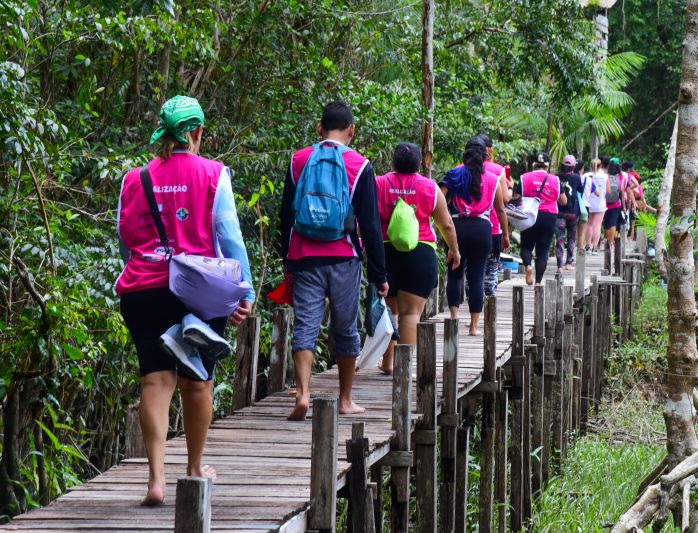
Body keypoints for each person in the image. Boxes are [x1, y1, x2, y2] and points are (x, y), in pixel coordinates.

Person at [115, 95, 255, 506]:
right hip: (198, 291)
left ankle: (155, 481)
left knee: (155, 381)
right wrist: (243, 291)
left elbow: (126, 241)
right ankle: (193, 470)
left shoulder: (133, 179)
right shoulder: (214, 174)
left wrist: (144, 271)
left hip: (143, 289)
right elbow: (230, 237)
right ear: (197, 133)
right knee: (197, 383)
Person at [279, 101, 388, 420]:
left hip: (304, 255)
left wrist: (288, 259)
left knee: (306, 324)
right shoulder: (360, 165)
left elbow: (286, 214)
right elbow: (369, 224)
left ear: (319, 127)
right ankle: (345, 399)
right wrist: (379, 274)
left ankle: (303, 394)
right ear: (351, 130)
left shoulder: (299, 160)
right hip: (344, 257)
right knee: (345, 328)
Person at [376, 143, 461, 374]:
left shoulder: (379, 183)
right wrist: (454, 249)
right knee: (410, 314)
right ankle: (403, 369)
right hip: (420, 253)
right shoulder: (429, 187)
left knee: (389, 311)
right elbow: (446, 224)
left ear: (393, 162)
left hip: (385, 252)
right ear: (419, 163)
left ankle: (387, 362)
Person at [440, 140, 510, 335]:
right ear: (484, 158)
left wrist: (441, 224)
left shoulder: (454, 174)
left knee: (454, 273)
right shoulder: (493, 178)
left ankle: (454, 318)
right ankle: (474, 326)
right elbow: (501, 209)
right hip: (482, 229)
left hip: (457, 229)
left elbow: (439, 200)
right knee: (476, 276)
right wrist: (505, 234)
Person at [518, 151, 566, 285]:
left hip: (529, 215)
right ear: (547, 166)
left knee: (526, 247)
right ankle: (538, 282)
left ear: (534, 164)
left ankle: (528, 266)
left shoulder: (524, 178)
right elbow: (563, 201)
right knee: (543, 251)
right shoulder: (555, 180)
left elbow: (517, 197)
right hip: (548, 217)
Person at [474, 134, 513, 297]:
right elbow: (504, 200)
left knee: (473, 271)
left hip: (467, 225)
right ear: (489, 150)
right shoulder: (498, 170)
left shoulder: (462, 167)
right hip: (492, 227)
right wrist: (510, 188)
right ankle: (489, 310)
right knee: (490, 270)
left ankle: (473, 311)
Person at [555, 154, 582, 272]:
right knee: (571, 238)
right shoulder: (576, 178)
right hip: (572, 213)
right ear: (573, 166)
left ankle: (559, 266)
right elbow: (581, 189)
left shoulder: (556, 177)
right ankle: (569, 263)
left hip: (559, 212)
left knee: (559, 238)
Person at [585, 157, 609, 255]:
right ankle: (595, 247)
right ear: (601, 166)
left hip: (588, 202)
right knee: (597, 225)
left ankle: (587, 246)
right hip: (600, 203)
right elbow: (608, 191)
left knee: (589, 224)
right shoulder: (605, 176)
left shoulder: (586, 175)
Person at [603, 157, 626, 246]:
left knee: (606, 222)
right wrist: (624, 206)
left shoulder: (606, 175)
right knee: (613, 222)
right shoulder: (621, 176)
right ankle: (611, 242)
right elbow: (622, 192)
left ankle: (607, 241)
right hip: (616, 203)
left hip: (605, 203)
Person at [575, 159, 589, 250]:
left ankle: (570, 252)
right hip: (583, 206)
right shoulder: (586, 178)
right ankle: (580, 251)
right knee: (581, 232)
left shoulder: (568, 177)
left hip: (570, 207)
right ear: (582, 168)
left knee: (571, 232)